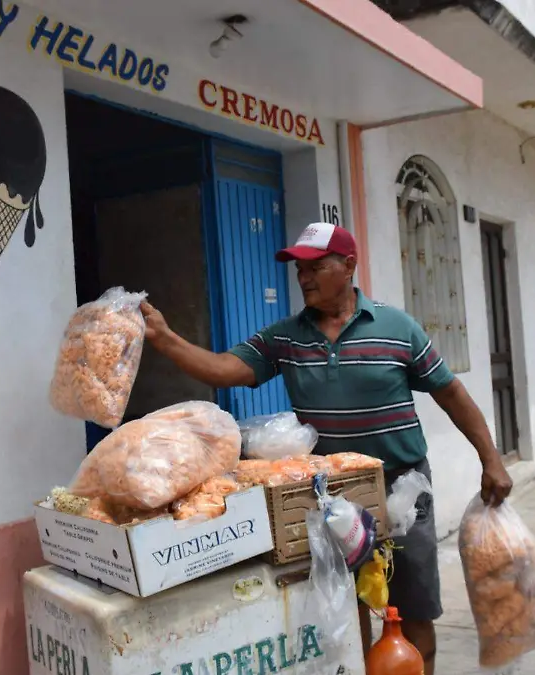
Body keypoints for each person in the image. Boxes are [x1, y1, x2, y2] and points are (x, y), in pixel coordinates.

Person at [140, 222, 513, 675]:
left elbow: (452, 393)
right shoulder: (285, 337)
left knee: (412, 607)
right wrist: (164, 339)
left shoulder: (398, 328)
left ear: (349, 266)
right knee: (345, 603)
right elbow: (223, 369)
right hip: (330, 495)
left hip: (403, 487)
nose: (305, 278)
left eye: (316, 266)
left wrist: (491, 459)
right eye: (300, 269)